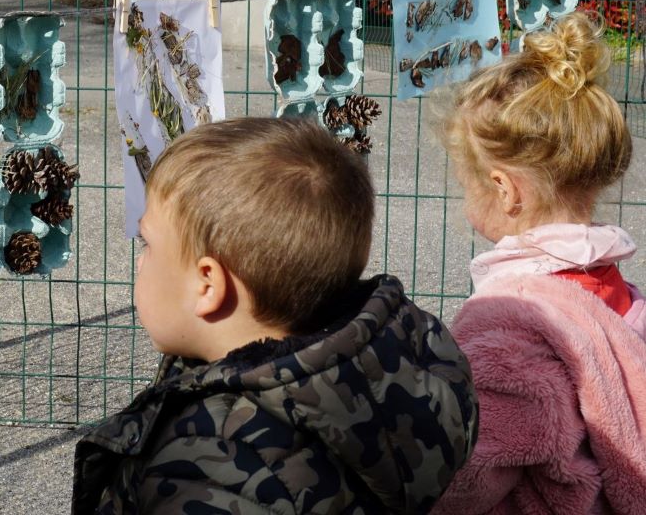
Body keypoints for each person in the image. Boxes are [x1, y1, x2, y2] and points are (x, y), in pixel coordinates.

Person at [72, 116, 478, 514]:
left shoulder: (206, 465)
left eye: (147, 243)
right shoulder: (402, 361)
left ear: (208, 285)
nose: (141, 263)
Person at [431, 11, 646, 513]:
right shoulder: (613, 288)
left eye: (468, 183)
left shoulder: (512, 318)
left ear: (504, 189)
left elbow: (468, 477)